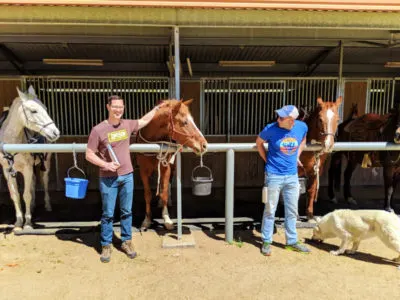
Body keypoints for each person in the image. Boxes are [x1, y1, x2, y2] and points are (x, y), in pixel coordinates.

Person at [86, 95, 165, 263]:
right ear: (108, 107)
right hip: (108, 178)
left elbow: (143, 121)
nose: (118, 110)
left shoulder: (127, 124)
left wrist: (157, 109)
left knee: (126, 212)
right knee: (107, 214)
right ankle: (106, 245)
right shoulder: (98, 130)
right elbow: (89, 154)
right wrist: (105, 165)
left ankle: (126, 242)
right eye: (115, 107)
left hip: (127, 176)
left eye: (121, 107)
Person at [256, 104, 310, 256]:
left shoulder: (301, 127)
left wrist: (297, 156)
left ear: (292, 120)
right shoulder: (270, 129)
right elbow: (259, 143)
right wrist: (266, 159)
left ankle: (292, 241)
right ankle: (266, 240)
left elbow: (303, 140)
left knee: (292, 210)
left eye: (282, 117)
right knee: (270, 209)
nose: (278, 119)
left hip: (292, 176)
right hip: (273, 175)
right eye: (278, 116)